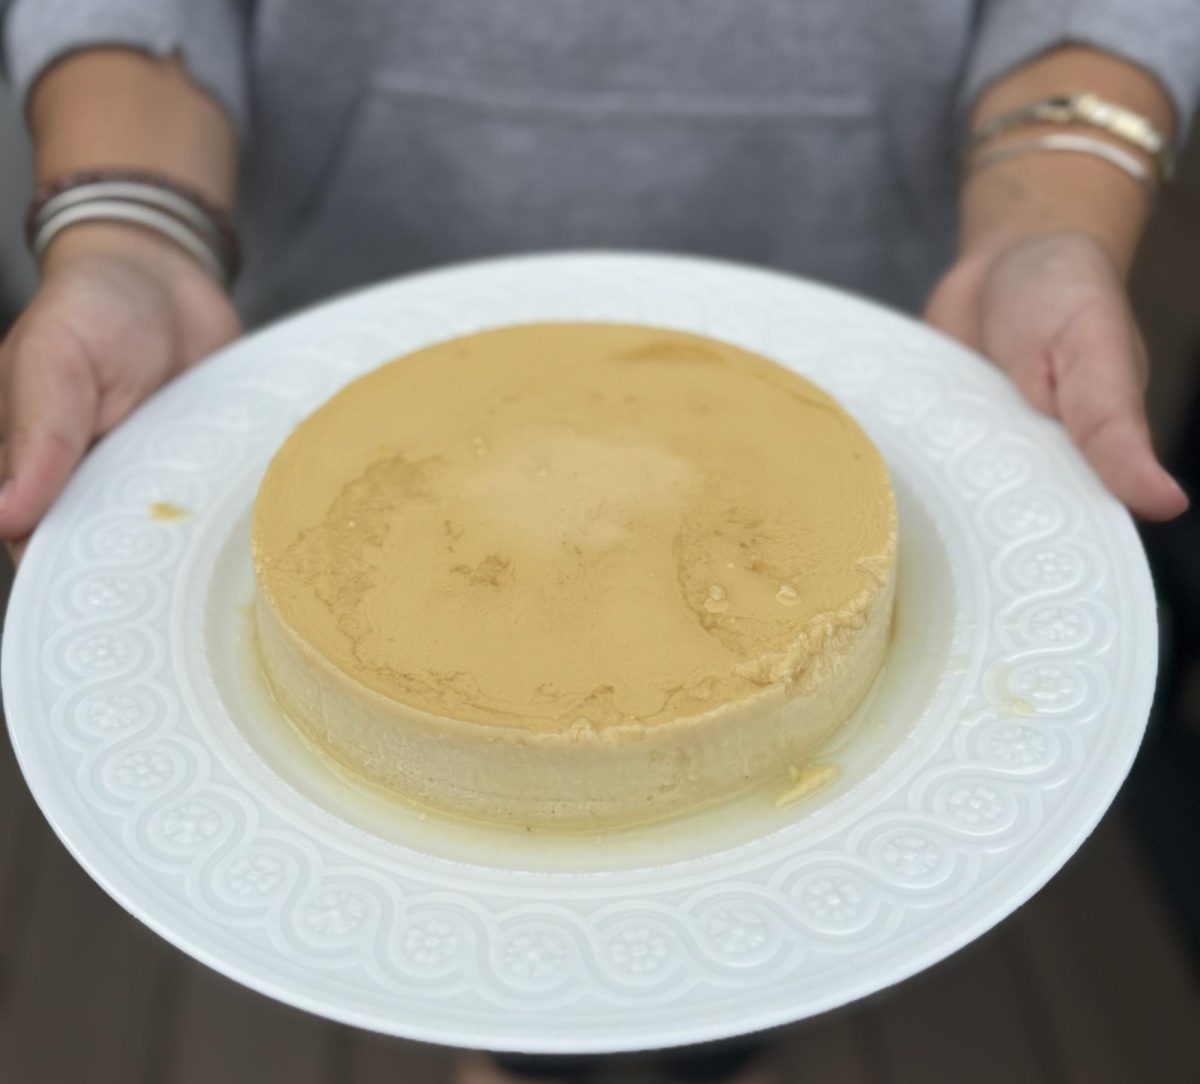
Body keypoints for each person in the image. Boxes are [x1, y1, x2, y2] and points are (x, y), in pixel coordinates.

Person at [1, 3, 1197, 1083]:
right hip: (338, 367)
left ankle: (715, 1048)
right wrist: (133, 234)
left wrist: (1049, 211)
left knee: (755, 938)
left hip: (875, 350)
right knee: (496, 961)